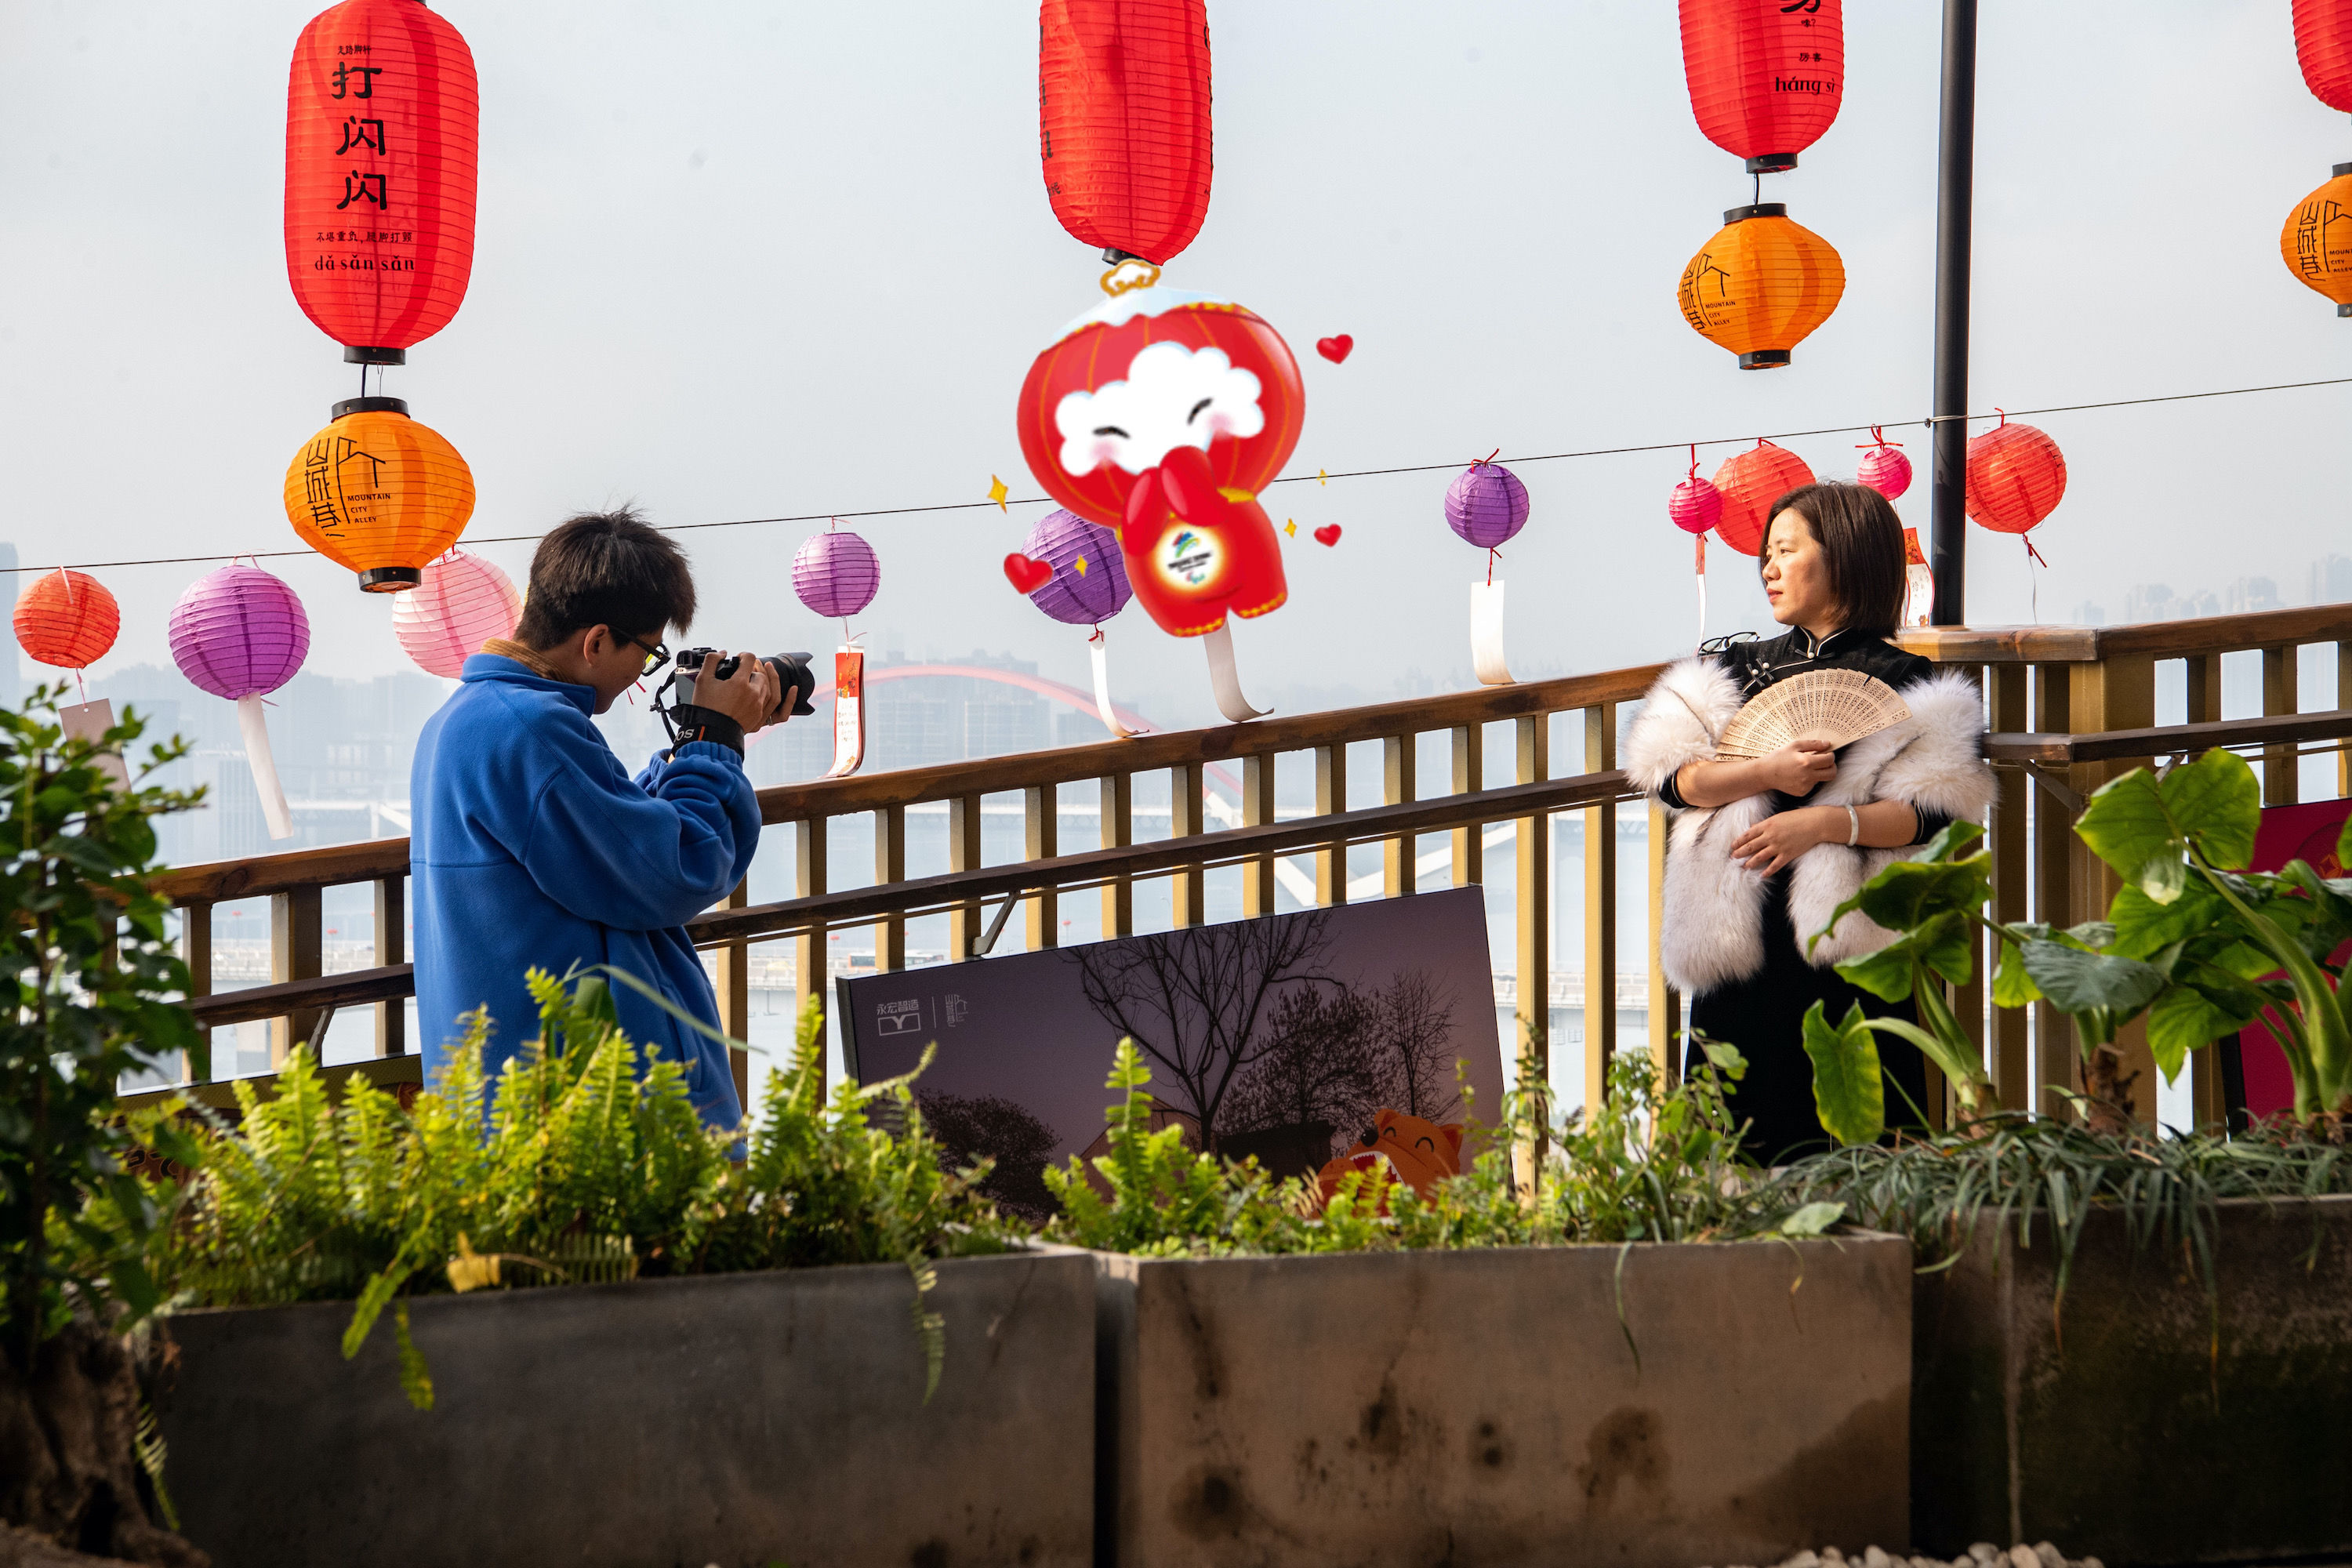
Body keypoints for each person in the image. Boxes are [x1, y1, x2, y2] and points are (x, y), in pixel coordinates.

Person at [1623, 482, 1995, 1163]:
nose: (1768, 567)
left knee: (1854, 1131)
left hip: (1849, 943)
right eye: (1766, 553)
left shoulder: (1915, 683)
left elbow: (1930, 815)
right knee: (1729, 1138)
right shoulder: (1729, 670)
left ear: (1846, 558)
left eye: (1787, 551)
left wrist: (1824, 824)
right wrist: (1765, 774)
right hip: (1737, 938)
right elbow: (1672, 779)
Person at [409, 508, 786, 1128]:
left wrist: (693, 746)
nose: (646, 670)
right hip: (588, 1106)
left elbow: (602, 834)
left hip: (513, 1087)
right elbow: (675, 867)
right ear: (596, 642)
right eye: (648, 650)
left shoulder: (471, 717)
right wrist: (715, 743)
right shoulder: (535, 728)